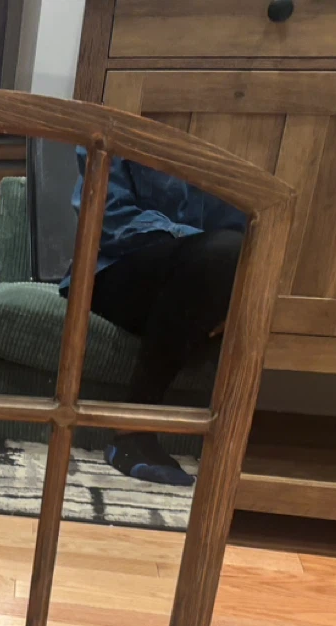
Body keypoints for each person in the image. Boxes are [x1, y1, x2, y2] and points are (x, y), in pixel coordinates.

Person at [64, 152, 248, 485]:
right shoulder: (122, 120)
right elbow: (105, 216)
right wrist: (199, 252)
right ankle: (133, 428)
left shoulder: (243, 139)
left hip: (210, 275)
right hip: (118, 266)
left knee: (230, 257)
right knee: (222, 254)